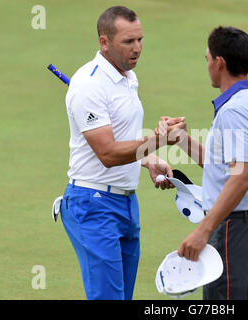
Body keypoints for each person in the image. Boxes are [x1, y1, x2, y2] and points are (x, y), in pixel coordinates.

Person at [59, 6, 184, 300]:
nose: (137, 48)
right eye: (128, 42)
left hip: (127, 203)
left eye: (140, 40)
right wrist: (157, 141)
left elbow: (123, 139)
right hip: (94, 205)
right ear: (104, 42)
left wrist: (148, 159)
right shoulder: (89, 85)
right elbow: (108, 153)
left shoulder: (128, 77)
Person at [161, 26, 248, 300]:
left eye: (207, 59)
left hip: (235, 232)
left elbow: (241, 177)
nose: (207, 65)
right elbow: (225, 167)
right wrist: (181, 140)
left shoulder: (234, 111)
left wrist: (203, 230)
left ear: (219, 63)